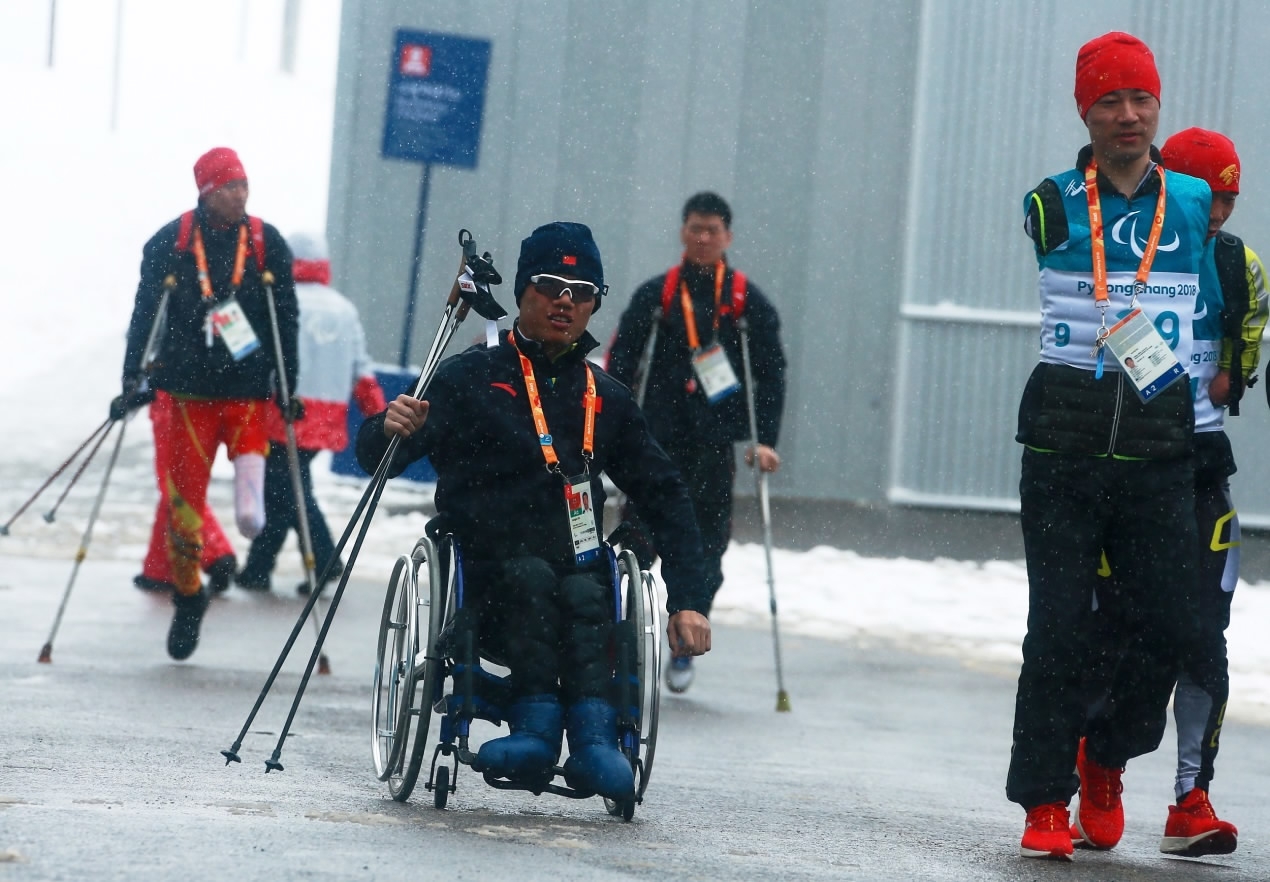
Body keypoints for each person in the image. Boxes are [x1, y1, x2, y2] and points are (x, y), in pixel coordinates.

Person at [356, 222, 712, 801]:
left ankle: (596, 739)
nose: (564, 301)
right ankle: (536, 727)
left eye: (581, 290)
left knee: (588, 588)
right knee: (531, 576)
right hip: (489, 573)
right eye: (550, 285)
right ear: (523, 292)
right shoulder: (473, 376)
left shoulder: (606, 396)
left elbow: (666, 493)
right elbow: (385, 457)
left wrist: (691, 599)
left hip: (577, 567)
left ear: (597, 303)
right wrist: (384, 428)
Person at [1007, 33, 1212, 861]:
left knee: (1169, 627)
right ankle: (1045, 797)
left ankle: (1107, 759)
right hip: (1064, 449)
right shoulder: (1052, 202)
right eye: (1109, 102)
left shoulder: (1193, 202)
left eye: (1140, 100)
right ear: (1084, 112)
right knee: (1057, 630)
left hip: (1161, 451)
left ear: (1158, 106)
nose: (1127, 116)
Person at [1074, 128, 1266, 858]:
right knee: (1119, 636)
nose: (1214, 213)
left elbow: (1245, 340)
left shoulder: (1239, 263)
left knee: (1202, 640)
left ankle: (1193, 798)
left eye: (1226, 199)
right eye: (1204, 196)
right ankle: (1101, 761)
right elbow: (1103, 328)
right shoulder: (1130, 248)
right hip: (1126, 467)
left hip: (1200, 471)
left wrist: (1236, 376)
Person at [119, 147, 297, 661]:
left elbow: (287, 317)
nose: (240, 195)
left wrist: (291, 383)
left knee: (249, 509)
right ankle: (188, 595)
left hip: (246, 395)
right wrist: (132, 374)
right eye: (229, 188)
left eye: (244, 185)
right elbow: (144, 312)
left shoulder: (265, 243)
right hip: (187, 396)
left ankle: (243, 525)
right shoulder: (170, 243)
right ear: (205, 192)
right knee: (183, 512)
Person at [606, 191, 785, 694]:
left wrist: (764, 439)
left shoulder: (746, 303)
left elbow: (771, 374)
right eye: (694, 229)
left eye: (712, 230)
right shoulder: (657, 295)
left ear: (727, 236)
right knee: (637, 540)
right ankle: (625, 634)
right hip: (654, 441)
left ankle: (688, 632)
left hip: (713, 445)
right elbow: (621, 364)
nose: (703, 238)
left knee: (709, 547)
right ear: (683, 232)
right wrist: (608, 429)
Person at [235, 232, 387, 594]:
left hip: (282, 411)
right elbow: (361, 370)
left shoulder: (278, 301)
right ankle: (259, 568)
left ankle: (324, 560)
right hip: (327, 416)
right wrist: (379, 416)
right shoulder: (344, 309)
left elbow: (248, 351)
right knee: (286, 489)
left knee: (288, 492)